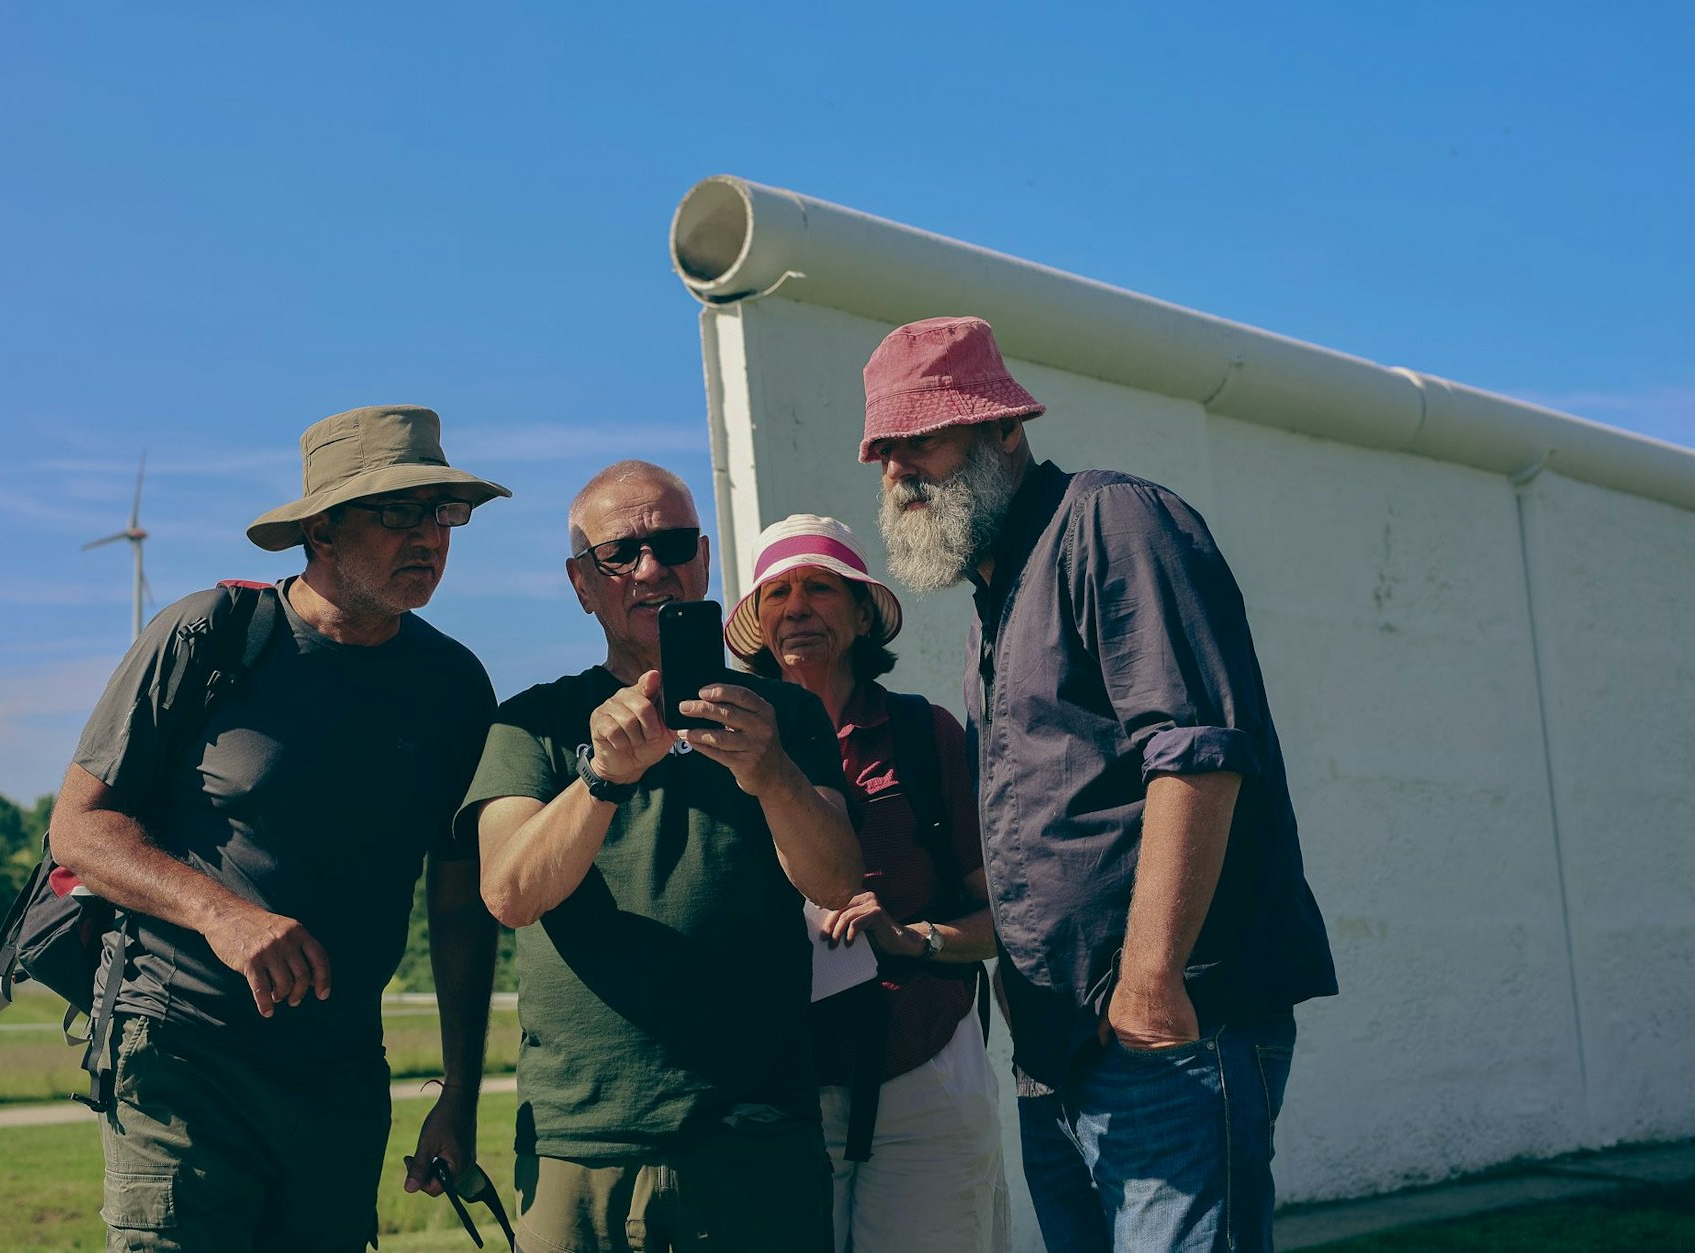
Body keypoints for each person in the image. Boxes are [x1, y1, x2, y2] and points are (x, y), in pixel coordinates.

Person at [860, 317, 1339, 1253]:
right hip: (1060, 1052)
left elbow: (1198, 752)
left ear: (1005, 429)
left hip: (1166, 1035)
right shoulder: (993, 604)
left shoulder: (1112, 521)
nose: (899, 471)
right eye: (885, 449)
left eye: (924, 438)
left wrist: (1152, 982)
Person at [48, 404, 509, 1252]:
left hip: (340, 1078)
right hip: (182, 1057)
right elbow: (79, 833)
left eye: (444, 512)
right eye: (399, 511)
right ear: (322, 529)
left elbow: (458, 902)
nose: (431, 538)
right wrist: (224, 914)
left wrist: (459, 1091)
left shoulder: (451, 685)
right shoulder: (208, 637)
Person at [465, 460, 864, 1253]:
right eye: (620, 554)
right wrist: (601, 777)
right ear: (583, 583)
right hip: (582, 1142)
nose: (651, 568)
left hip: (756, 1137)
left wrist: (770, 770)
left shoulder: (782, 713)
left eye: (673, 543)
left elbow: (838, 878)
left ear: (706, 561)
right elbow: (509, 892)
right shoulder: (531, 723)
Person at [724, 512, 1010, 1253]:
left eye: (820, 586)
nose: (798, 607)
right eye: (777, 592)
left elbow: (1005, 916)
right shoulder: (721, 748)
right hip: (778, 1085)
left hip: (922, 1068)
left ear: (859, 613)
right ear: (756, 622)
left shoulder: (925, 734)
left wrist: (915, 937)